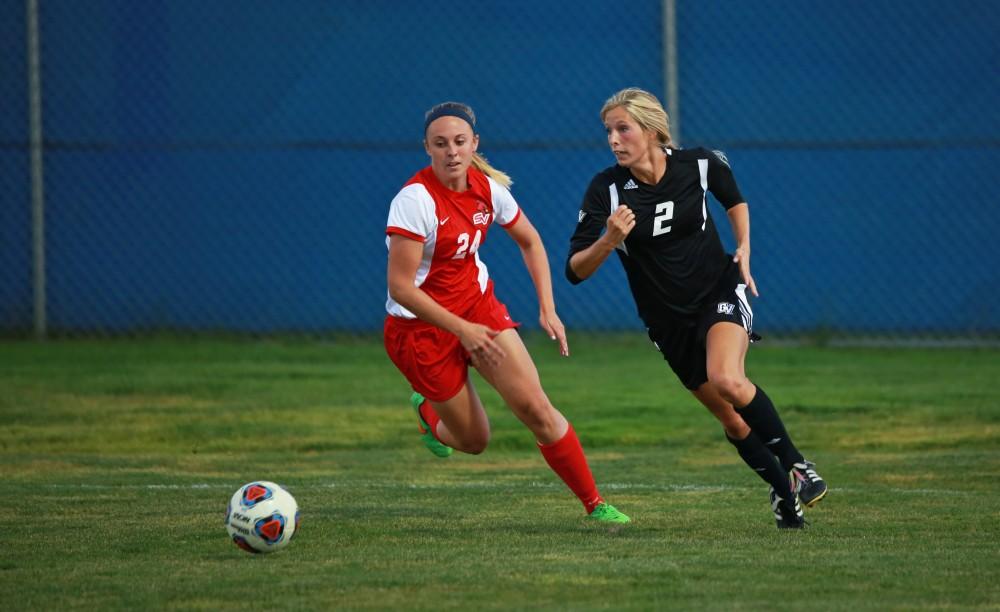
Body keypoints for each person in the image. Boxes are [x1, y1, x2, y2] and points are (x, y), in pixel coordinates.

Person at [565, 88, 827, 529]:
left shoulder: (699, 164)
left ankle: (799, 466)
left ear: (650, 130)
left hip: (717, 290)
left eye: (623, 128)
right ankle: (785, 496)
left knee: (727, 378)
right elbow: (575, 271)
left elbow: (733, 198)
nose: (613, 139)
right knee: (729, 417)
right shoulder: (606, 190)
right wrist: (608, 240)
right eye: (608, 131)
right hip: (667, 322)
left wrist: (743, 246)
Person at [384, 101, 629, 524]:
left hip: (479, 311)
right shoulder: (414, 200)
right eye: (440, 144)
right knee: (475, 440)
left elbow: (530, 241)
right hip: (420, 331)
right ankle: (428, 412)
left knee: (536, 407)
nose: (452, 152)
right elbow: (401, 288)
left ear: (474, 143)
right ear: (427, 147)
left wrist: (548, 309)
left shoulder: (487, 189)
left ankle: (595, 504)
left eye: (460, 142)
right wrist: (461, 330)